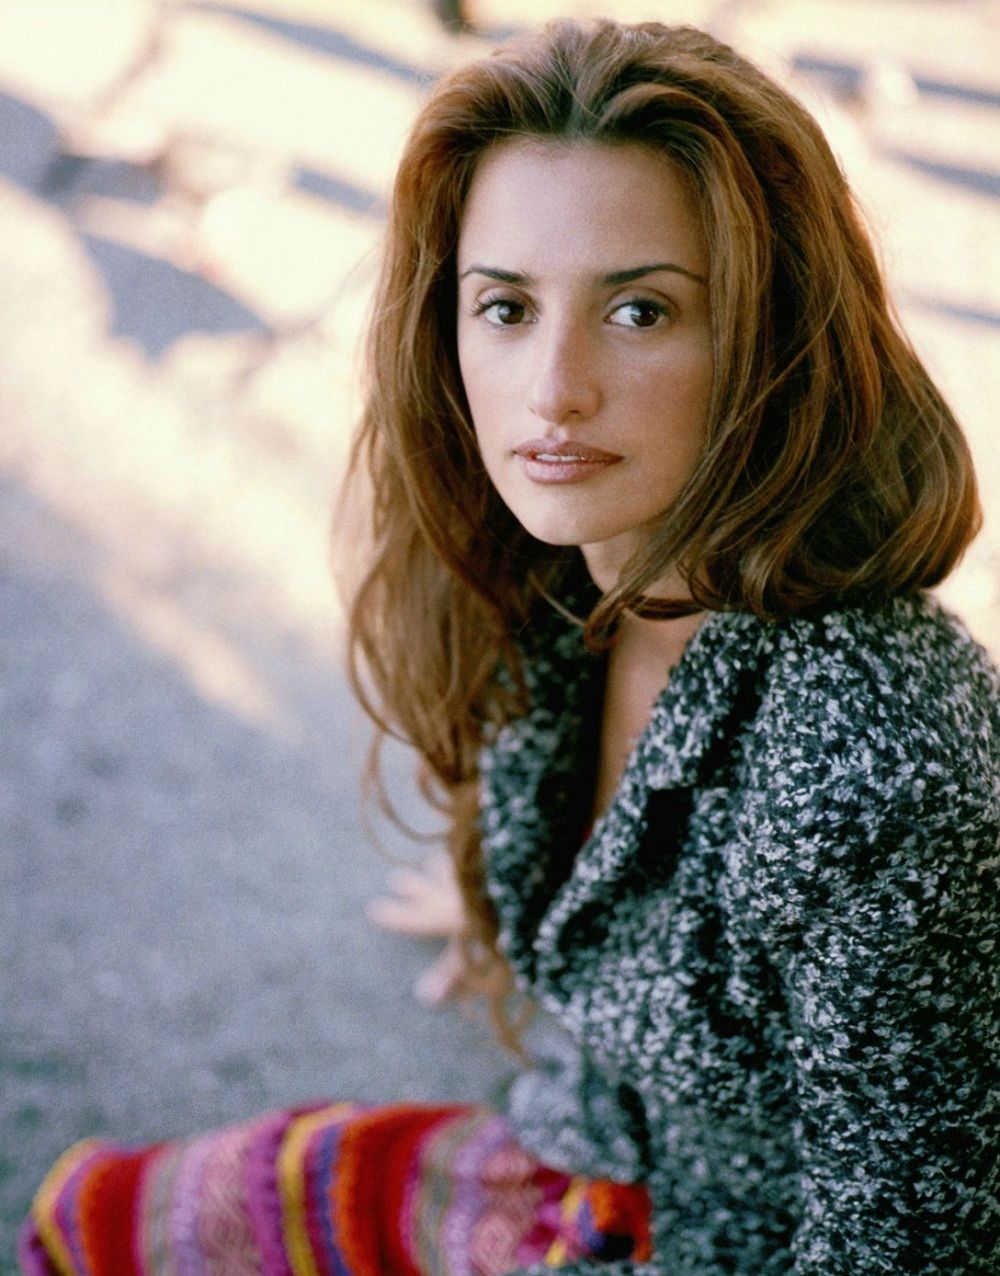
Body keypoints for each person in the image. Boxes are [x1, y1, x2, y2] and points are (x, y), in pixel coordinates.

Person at [21, 18, 998, 1276]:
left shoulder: (879, 766)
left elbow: (908, 1250)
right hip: (573, 1162)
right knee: (92, 1230)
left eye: (639, 310)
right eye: (505, 306)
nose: (551, 390)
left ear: (774, 335)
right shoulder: (560, 567)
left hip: (706, 1246)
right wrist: (542, 892)